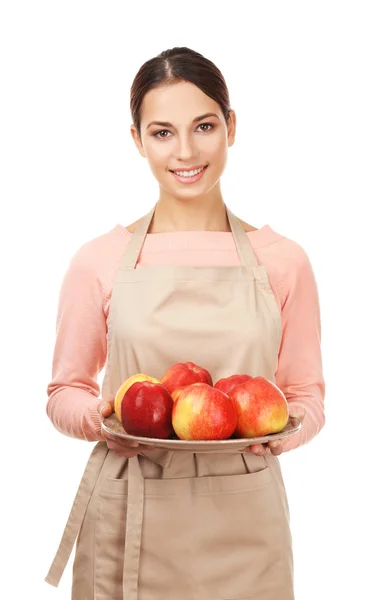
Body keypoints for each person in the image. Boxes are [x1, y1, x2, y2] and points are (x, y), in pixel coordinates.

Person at [44, 46, 325, 600]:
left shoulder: (283, 260)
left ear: (231, 127)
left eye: (203, 126)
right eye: (163, 133)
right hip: (130, 511)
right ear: (137, 140)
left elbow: (307, 394)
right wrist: (98, 418)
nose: (187, 151)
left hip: (246, 522)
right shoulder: (98, 260)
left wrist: (285, 429)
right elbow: (63, 391)